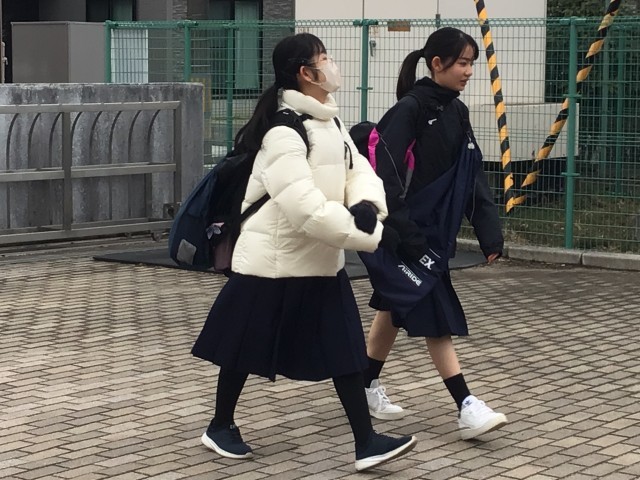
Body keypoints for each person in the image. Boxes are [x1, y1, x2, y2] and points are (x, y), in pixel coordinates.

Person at [191, 33, 416, 472]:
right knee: (242, 347)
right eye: (324, 58)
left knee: (345, 349)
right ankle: (219, 425)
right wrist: (369, 234)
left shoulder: (329, 120)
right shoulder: (283, 131)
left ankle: (366, 442)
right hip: (271, 261)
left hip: (319, 259)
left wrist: (367, 206)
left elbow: (359, 170)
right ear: (305, 73)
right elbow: (304, 209)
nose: (332, 65)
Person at [359, 27, 508, 440]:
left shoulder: (457, 111)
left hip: (434, 236)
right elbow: (383, 174)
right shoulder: (410, 109)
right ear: (437, 64)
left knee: (394, 306)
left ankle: (364, 385)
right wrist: (404, 231)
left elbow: (471, 174)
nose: (469, 71)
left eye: (472, 63)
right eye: (462, 63)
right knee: (437, 317)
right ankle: (466, 405)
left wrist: (489, 234)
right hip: (409, 237)